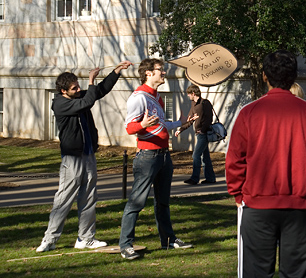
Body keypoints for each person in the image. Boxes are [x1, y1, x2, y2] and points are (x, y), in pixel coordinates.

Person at [225, 50, 306, 277]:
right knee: (298, 272)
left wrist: (238, 193)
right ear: (294, 76)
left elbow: (235, 159)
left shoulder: (249, 113)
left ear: (264, 76)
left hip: (262, 204)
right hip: (295, 205)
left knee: (255, 272)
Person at [36, 61, 133, 252]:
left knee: (89, 198)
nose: (78, 89)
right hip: (72, 159)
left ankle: (85, 238)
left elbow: (99, 91)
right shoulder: (60, 104)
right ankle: (50, 239)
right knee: (63, 199)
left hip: (88, 155)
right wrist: (90, 80)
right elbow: (87, 101)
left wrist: (116, 71)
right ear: (63, 90)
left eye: (78, 85)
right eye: (74, 88)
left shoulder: (77, 96)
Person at [119, 58, 194, 260]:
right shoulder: (139, 98)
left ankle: (168, 240)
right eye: (160, 70)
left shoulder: (157, 97)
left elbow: (160, 126)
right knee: (136, 202)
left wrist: (180, 122)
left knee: (163, 202)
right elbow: (129, 128)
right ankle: (126, 245)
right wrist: (141, 124)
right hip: (147, 157)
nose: (164, 73)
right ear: (148, 73)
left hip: (163, 156)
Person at [174, 84, 216, 185]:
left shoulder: (205, 103)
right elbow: (189, 120)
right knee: (205, 157)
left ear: (193, 93)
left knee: (196, 155)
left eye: (189, 94)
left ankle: (194, 178)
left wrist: (203, 130)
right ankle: (210, 178)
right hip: (198, 134)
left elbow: (209, 119)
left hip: (203, 134)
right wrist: (180, 129)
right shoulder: (194, 104)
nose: (188, 96)